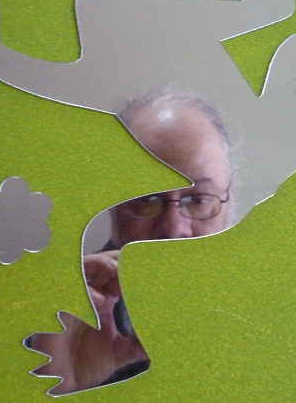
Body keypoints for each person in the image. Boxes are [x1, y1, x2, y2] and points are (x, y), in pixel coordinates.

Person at [27, 91, 235, 395]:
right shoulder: (55, 322)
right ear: (113, 205)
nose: (174, 229)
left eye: (198, 199)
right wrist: (61, 388)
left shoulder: (281, 312)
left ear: (230, 200)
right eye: (147, 199)